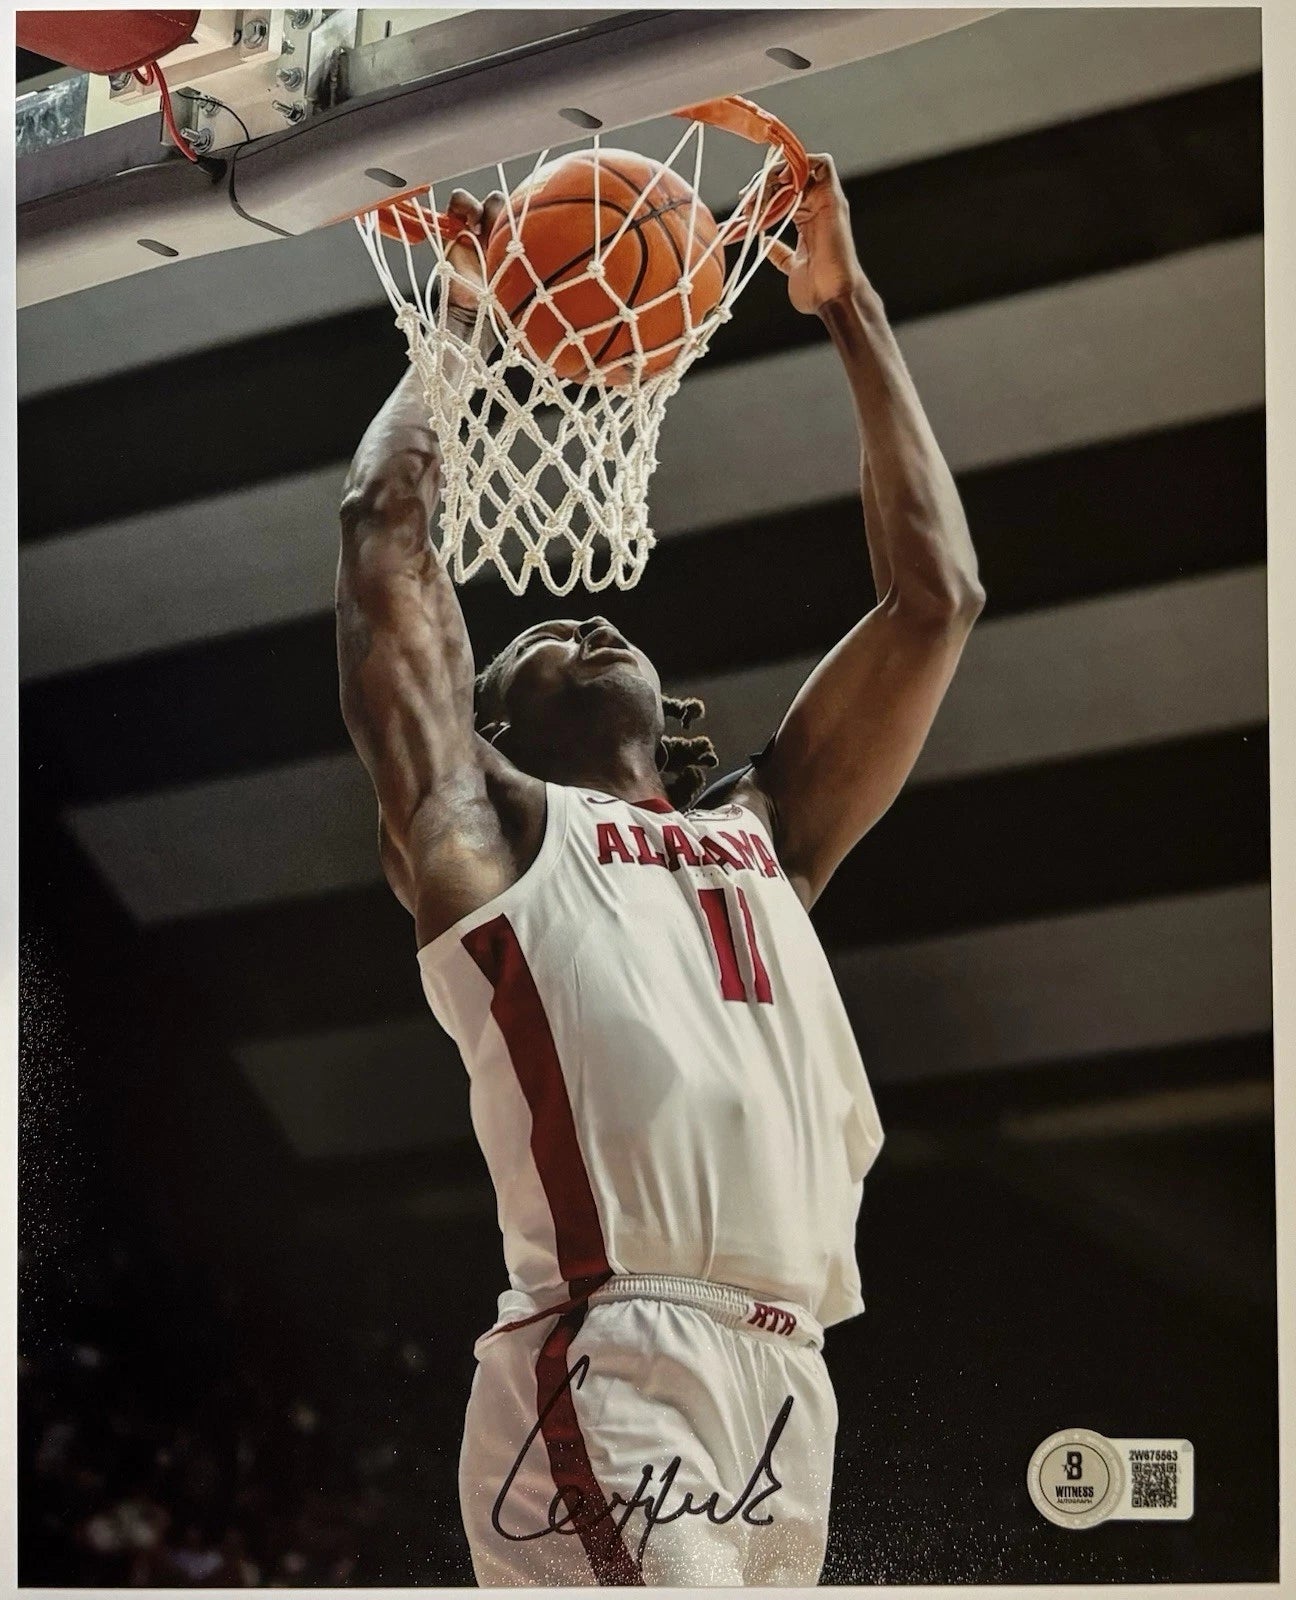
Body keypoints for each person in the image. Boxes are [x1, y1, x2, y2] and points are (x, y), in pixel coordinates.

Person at [336, 153, 983, 1587]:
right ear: (488, 724)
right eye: (535, 637)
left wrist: (849, 303)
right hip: (608, 1357)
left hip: (788, 1380)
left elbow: (935, 602)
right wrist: (455, 321)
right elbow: (383, 539)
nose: (581, 610)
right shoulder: (490, 841)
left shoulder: (761, 838)